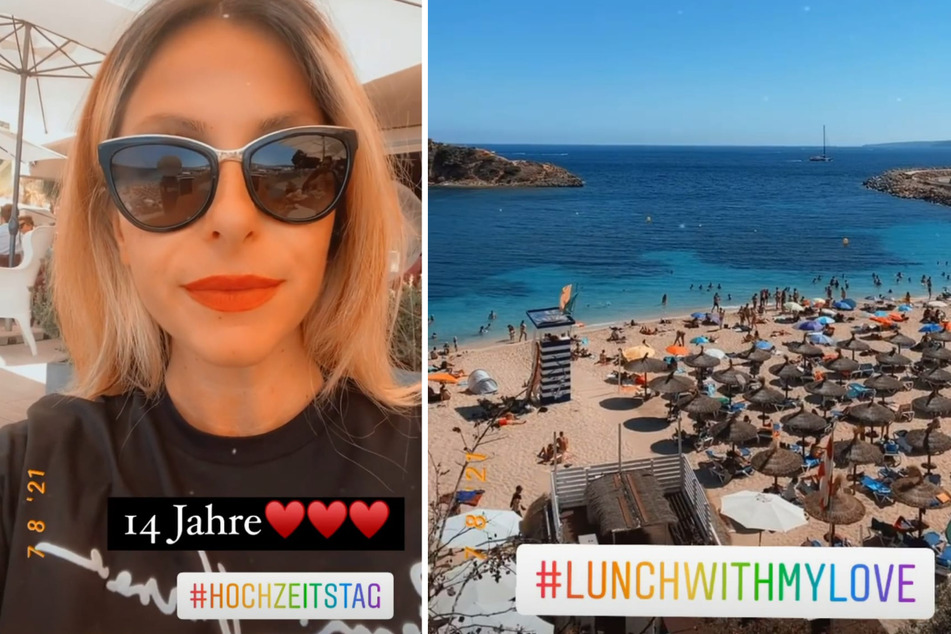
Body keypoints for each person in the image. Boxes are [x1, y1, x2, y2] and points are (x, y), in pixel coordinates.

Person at [0, 1, 421, 631]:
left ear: (340, 217)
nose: (230, 219)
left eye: (292, 169)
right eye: (161, 171)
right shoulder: (24, 482)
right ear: (117, 228)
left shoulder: (429, 471)